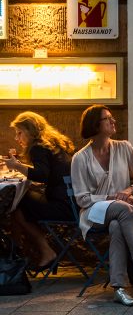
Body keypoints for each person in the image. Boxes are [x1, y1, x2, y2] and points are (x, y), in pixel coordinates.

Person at [70, 105, 133, 306]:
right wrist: (114, 197)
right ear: (95, 125)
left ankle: (119, 289)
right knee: (123, 208)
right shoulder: (80, 158)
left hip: (123, 213)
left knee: (117, 225)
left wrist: (131, 189)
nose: (114, 122)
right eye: (108, 119)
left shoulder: (123, 147)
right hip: (93, 214)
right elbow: (82, 199)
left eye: (112, 118)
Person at [2, 112, 74, 273]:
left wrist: (17, 166)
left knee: (17, 206)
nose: (16, 138)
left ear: (30, 130)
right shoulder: (53, 143)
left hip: (64, 207)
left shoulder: (37, 148)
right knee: (21, 200)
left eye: (19, 132)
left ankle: (33, 252)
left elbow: (42, 175)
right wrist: (20, 165)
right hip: (72, 203)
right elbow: (48, 175)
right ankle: (21, 252)